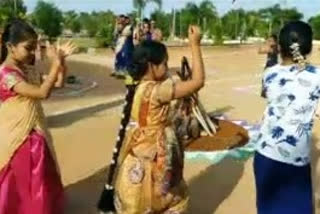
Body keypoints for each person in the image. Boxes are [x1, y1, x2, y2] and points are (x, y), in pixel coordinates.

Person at [102, 25, 204, 214]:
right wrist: (195, 45)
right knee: (168, 194)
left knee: (136, 196)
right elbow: (198, 82)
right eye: (164, 63)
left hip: (140, 145)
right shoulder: (159, 91)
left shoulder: (139, 85)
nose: (167, 68)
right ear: (151, 66)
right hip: (158, 149)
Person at [0, 19, 76, 214]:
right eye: (28, 48)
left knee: (39, 179)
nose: (33, 53)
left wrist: (61, 62)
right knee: (20, 181)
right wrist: (54, 65)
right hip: (17, 138)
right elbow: (42, 92)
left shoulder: (27, 70)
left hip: (35, 132)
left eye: (34, 48)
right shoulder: (6, 75)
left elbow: (58, 83)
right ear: (10, 46)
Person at [254, 21, 318, 214]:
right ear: (308, 48)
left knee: (268, 208)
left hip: (265, 154)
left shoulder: (270, 73)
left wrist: (272, 56)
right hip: (295, 160)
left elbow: (266, 93)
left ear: (280, 47)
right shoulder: (317, 76)